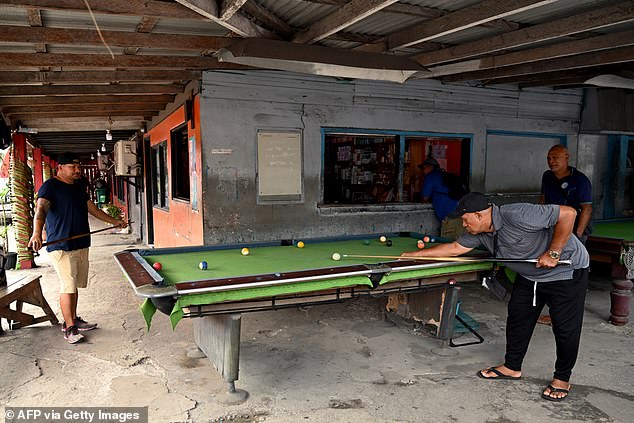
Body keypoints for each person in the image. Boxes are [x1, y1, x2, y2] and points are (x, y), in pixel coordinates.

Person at [402, 192, 589, 401]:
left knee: (565, 327)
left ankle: (562, 378)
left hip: (566, 271)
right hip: (530, 274)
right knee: (518, 319)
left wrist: (554, 252)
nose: (464, 225)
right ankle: (512, 367)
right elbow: (454, 248)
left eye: (465, 219)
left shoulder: (517, 214)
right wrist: (415, 255)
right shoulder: (480, 232)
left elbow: (568, 214)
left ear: (480, 215)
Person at [28, 153, 127, 344]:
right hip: (61, 245)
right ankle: (69, 327)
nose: (77, 171)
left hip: (81, 243)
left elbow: (93, 209)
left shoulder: (79, 187)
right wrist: (36, 233)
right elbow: (40, 210)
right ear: (60, 168)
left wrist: (114, 222)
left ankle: (73, 318)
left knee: (74, 285)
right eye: (72, 167)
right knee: (68, 285)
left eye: (78, 167)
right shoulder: (50, 186)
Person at [538, 144, 592, 325]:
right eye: (548, 158)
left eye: (555, 157)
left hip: (573, 231)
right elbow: (543, 200)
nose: (551, 161)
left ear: (566, 157)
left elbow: (586, 209)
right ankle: (555, 314)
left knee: (571, 275)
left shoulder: (580, 180)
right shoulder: (547, 176)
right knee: (552, 271)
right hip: (552, 229)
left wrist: (577, 234)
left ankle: (562, 316)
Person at [419, 157, 462, 240]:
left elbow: (425, 197)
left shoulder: (430, 177)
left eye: (424, 168)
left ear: (430, 167)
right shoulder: (445, 175)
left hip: (449, 218)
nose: (423, 171)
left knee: (447, 247)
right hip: (460, 216)